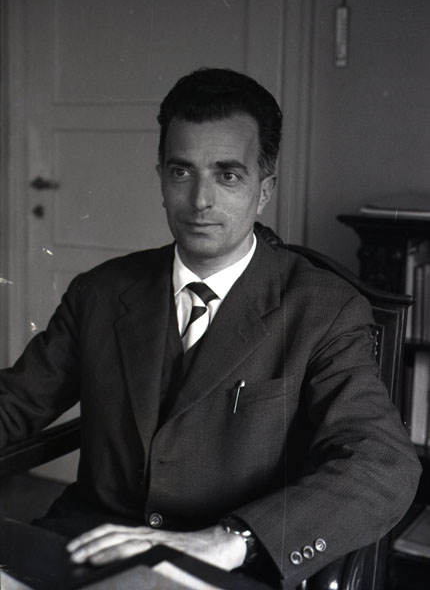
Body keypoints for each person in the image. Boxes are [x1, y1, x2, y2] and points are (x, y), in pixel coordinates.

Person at [0, 68, 421, 589]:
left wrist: (232, 539)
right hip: (89, 546)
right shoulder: (101, 291)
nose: (200, 200)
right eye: (182, 172)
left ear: (264, 190)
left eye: (228, 176)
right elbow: (15, 403)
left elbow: (382, 462)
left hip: (224, 567)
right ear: (161, 179)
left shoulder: (324, 309)